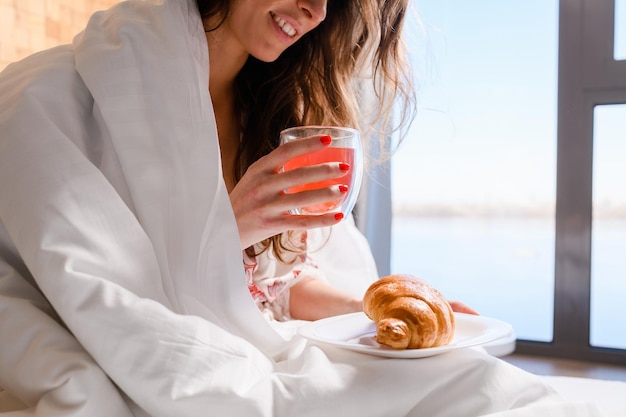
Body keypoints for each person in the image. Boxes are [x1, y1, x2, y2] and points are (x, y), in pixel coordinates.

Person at [0, 0, 604, 416]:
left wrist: (375, 313)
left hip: (262, 346)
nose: (316, 10)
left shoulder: (277, 113)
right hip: (156, 355)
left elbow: (276, 285)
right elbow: (101, 297)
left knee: (466, 377)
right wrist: (224, 228)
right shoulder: (49, 99)